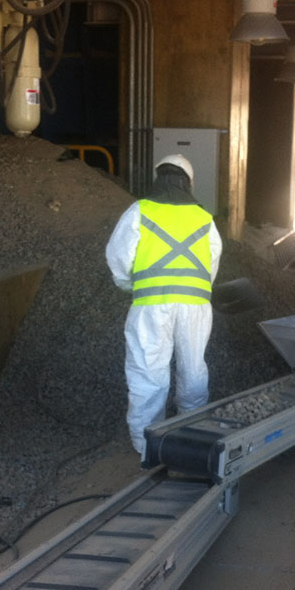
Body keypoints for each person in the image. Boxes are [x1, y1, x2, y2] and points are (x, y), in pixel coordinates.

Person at [106, 154, 223, 459]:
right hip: (195, 306)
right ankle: (192, 433)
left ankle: (147, 446)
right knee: (193, 369)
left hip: (151, 304)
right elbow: (211, 266)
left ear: (158, 178)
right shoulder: (204, 218)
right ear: (189, 182)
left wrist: (130, 285)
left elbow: (118, 256)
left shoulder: (139, 210)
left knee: (148, 372)